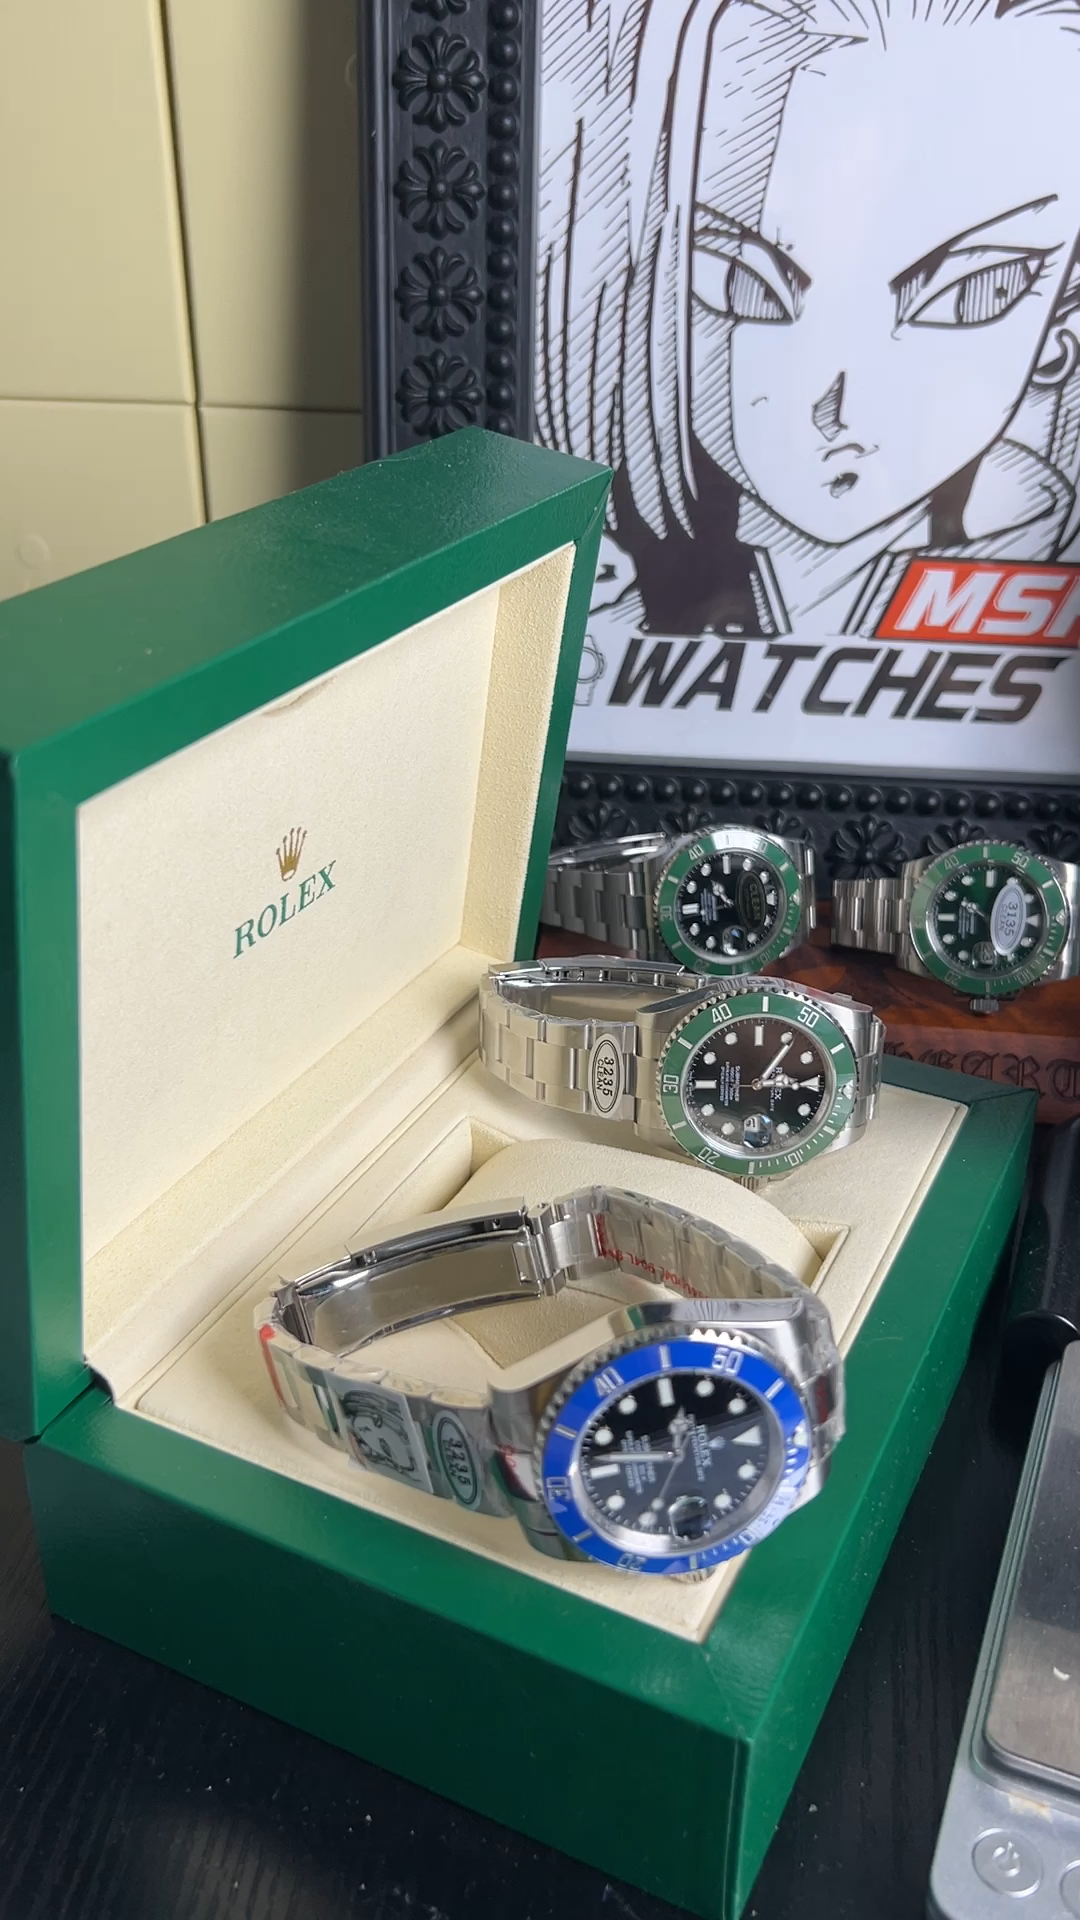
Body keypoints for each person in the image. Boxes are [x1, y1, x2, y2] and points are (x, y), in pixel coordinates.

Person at [536, 0, 1080, 642]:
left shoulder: (1031, 563)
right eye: (739, 286)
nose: (836, 409)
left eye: (974, 294)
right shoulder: (585, 595)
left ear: (1061, 332)